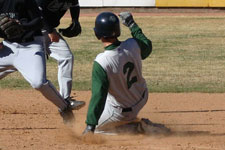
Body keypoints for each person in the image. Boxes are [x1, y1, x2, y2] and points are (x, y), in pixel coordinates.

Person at [0, 0, 75, 125]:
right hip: (8, 47)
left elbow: (39, 21)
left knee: (38, 83)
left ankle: (65, 107)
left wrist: (22, 27)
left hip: (30, 47)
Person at [83, 12, 155, 134]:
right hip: (142, 96)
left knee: (98, 130)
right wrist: (132, 25)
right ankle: (131, 123)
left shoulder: (102, 62)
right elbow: (147, 46)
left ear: (97, 34)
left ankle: (134, 128)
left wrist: (90, 125)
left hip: (122, 111)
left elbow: (98, 96)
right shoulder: (133, 44)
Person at [35, 0, 85, 109]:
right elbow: (37, 11)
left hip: (49, 31)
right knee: (15, 64)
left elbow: (75, 4)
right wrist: (50, 30)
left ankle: (64, 99)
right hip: (32, 32)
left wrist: (75, 20)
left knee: (66, 57)